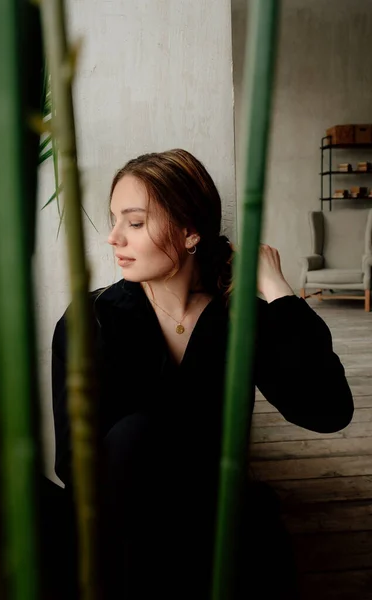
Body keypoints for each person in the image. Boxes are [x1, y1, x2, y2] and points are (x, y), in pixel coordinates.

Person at [49, 149, 354, 599]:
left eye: (133, 223)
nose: (113, 238)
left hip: (215, 530)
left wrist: (279, 292)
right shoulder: (90, 319)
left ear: (191, 232)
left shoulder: (237, 316)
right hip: (122, 539)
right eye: (113, 220)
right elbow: (73, 466)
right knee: (136, 434)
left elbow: (327, 410)